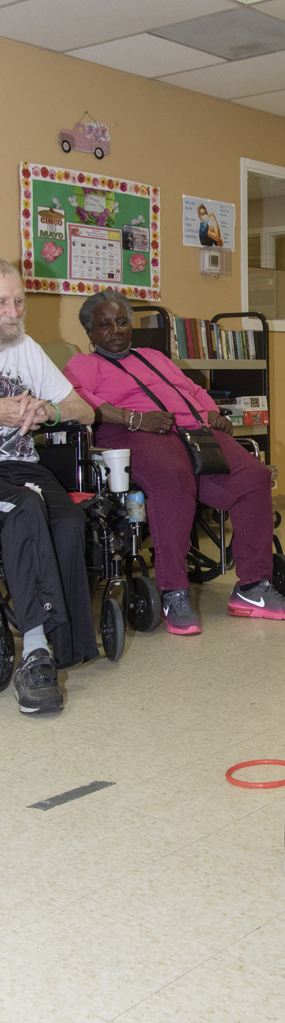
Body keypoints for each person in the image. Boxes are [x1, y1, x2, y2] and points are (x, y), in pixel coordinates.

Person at [66, 289, 285, 634]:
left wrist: (211, 412)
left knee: (253, 476)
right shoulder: (83, 365)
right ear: (89, 332)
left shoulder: (153, 357)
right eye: (104, 325)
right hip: (133, 435)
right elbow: (82, 404)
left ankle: (252, 588)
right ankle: (175, 592)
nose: (115, 330)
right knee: (173, 478)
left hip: (193, 432)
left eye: (121, 322)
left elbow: (191, 389)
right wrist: (135, 419)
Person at [0, 259, 98, 714]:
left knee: (68, 519)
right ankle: (36, 654)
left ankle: (65, 644)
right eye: (1, 302)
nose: (13, 312)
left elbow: (85, 411)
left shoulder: (27, 348)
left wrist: (48, 412)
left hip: (22, 466)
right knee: (23, 509)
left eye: (18, 301)